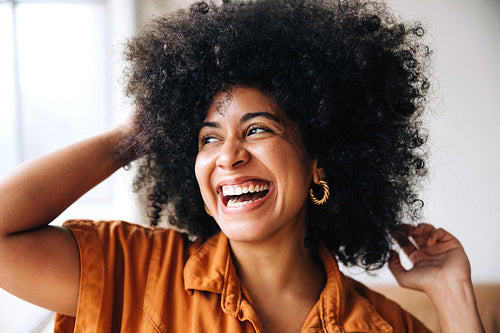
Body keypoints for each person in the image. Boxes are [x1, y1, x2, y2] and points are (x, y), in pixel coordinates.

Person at [0, 0, 485, 332]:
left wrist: (452, 294)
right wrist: (126, 141)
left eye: (257, 129)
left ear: (319, 162)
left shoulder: (384, 325)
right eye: (208, 138)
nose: (228, 156)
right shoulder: (136, 270)